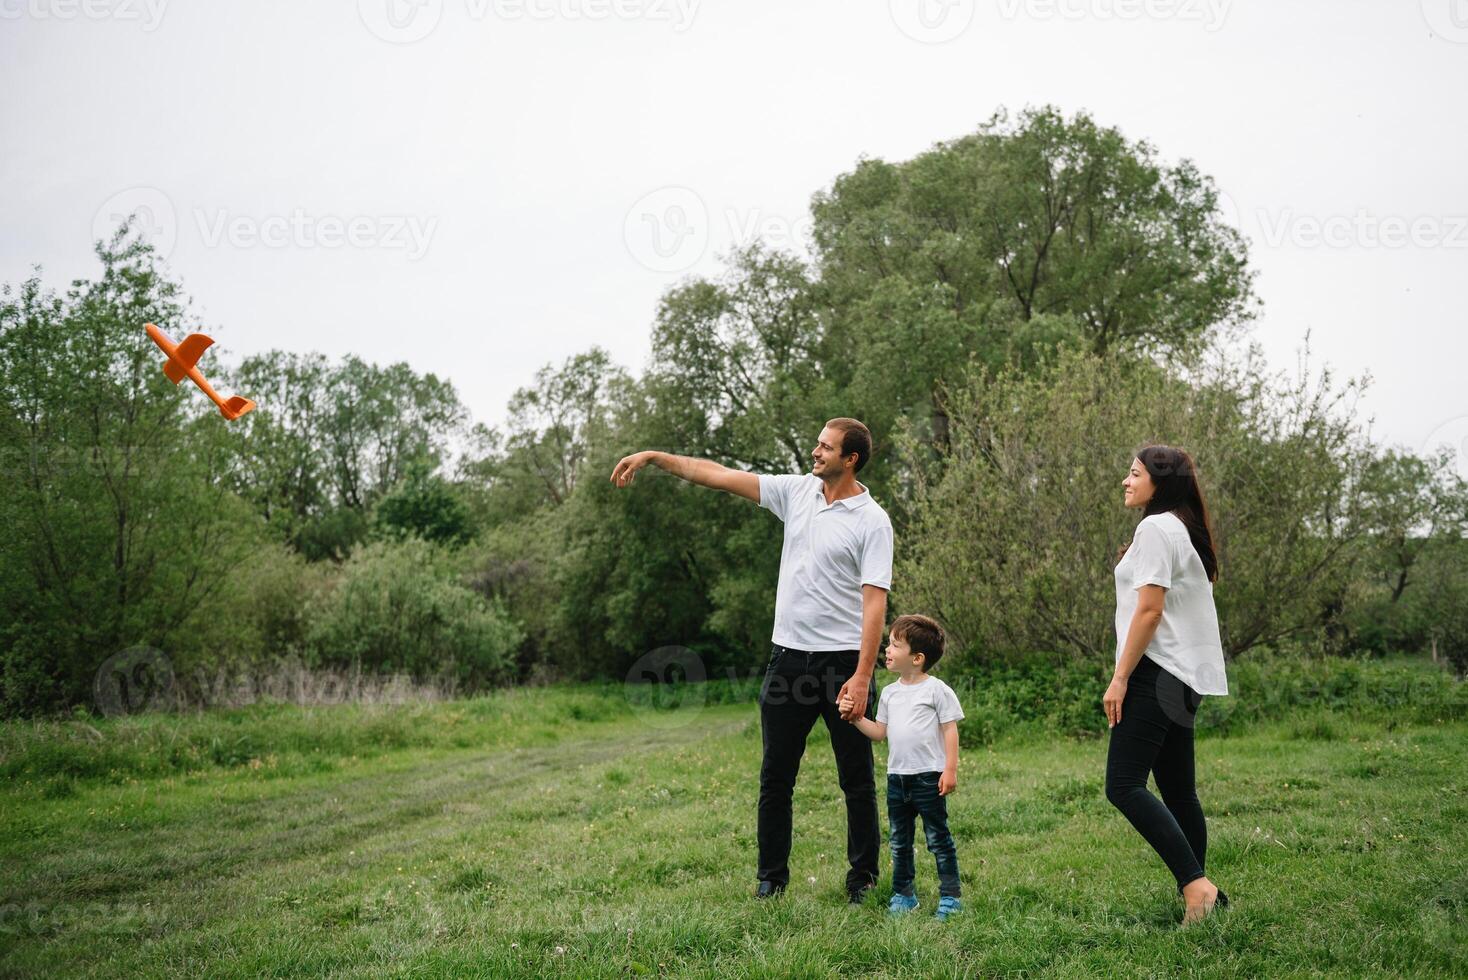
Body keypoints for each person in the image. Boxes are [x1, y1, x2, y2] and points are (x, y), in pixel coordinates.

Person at [610, 418, 893, 903]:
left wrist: (863, 676)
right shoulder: (795, 492)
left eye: (825, 447)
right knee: (775, 776)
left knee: (857, 778)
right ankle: (771, 880)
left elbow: (874, 604)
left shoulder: (872, 521)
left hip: (842, 665)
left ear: (851, 459)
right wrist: (654, 457)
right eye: (817, 443)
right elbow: (713, 473)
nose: (814, 451)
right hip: (786, 661)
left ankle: (862, 878)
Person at [1105, 444, 1231, 926]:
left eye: (1134, 473)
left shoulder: (1157, 528)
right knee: (1179, 791)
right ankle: (1199, 895)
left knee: (1124, 784)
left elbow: (1151, 610)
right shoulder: (1180, 527)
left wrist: (1120, 678)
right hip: (1183, 675)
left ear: (1160, 481)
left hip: (1157, 672)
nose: (1125, 480)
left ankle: (1196, 887)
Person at [841, 614, 965, 920]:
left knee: (938, 839)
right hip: (897, 779)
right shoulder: (889, 693)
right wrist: (856, 718)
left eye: (895, 645)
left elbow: (950, 730)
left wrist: (950, 770)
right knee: (900, 841)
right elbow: (880, 733)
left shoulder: (937, 690)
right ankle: (904, 894)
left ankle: (950, 896)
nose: (887, 649)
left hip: (928, 778)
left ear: (917, 658)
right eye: (889, 643)